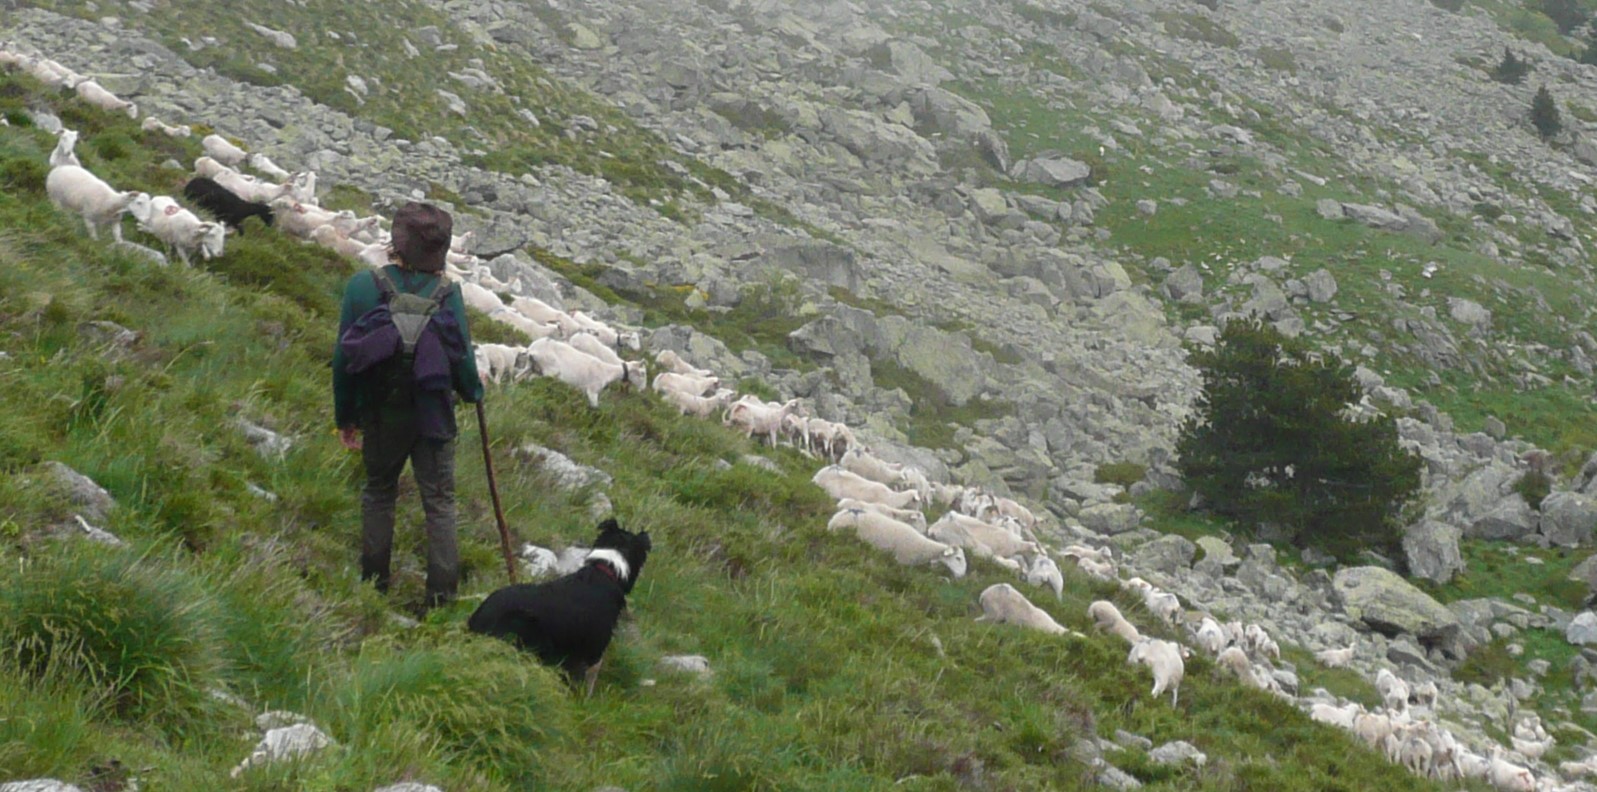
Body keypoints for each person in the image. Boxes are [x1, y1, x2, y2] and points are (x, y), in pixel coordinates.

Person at [331, 202, 483, 610]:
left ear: (396, 243)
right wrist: (474, 393)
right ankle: (441, 601)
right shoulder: (448, 293)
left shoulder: (364, 286)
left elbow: (345, 360)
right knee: (440, 503)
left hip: (381, 413)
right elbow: (462, 358)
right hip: (433, 416)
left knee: (379, 493)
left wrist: (346, 416)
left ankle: (373, 586)